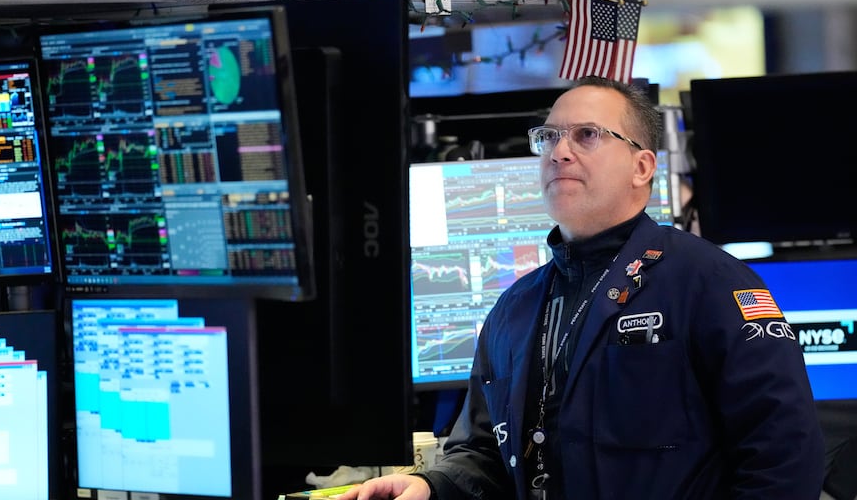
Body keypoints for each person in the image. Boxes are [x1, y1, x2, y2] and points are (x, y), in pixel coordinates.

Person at [337, 75, 825, 500]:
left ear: (643, 168)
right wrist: (431, 486)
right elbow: (485, 453)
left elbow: (783, 456)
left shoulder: (710, 283)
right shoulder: (514, 308)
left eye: (587, 135)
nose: (559, 151)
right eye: (548, 137)